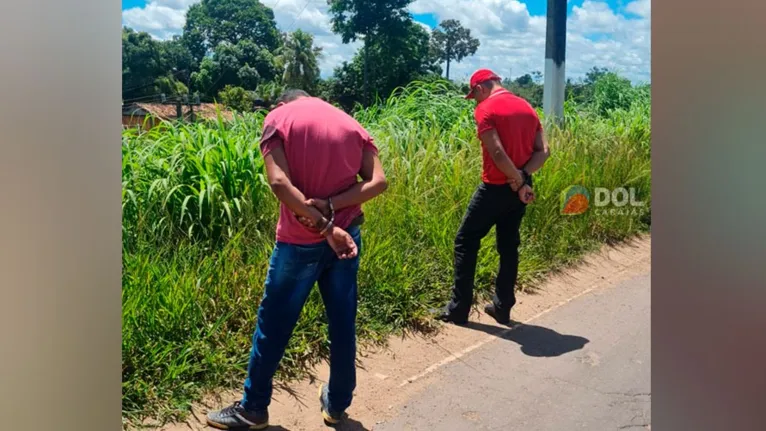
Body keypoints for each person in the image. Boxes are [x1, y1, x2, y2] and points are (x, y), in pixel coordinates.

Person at [206, 90, 387, 430]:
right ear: (314, 99)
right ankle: (336, 405)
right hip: (346, 239)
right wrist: (332, 209)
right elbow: (378, 182)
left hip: (300, 242)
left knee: (273, 325)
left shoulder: (278, 119)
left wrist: (321, 223)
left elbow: (278, 181)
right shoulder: (352, 125)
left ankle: (254, 408)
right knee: (342, 321)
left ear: (281, 104)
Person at [438, 69, 550, 326]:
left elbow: (497, 154)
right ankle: (503, 307)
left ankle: (458, 310)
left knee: (465, 240)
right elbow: (544, 151)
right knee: (509, 246)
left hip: (496, 188)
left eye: (474, 96)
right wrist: (522, 178)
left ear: (480, 88)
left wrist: (515, 178)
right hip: (519, 189)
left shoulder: (486, 108)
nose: (475, 101)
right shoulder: (527, 107)